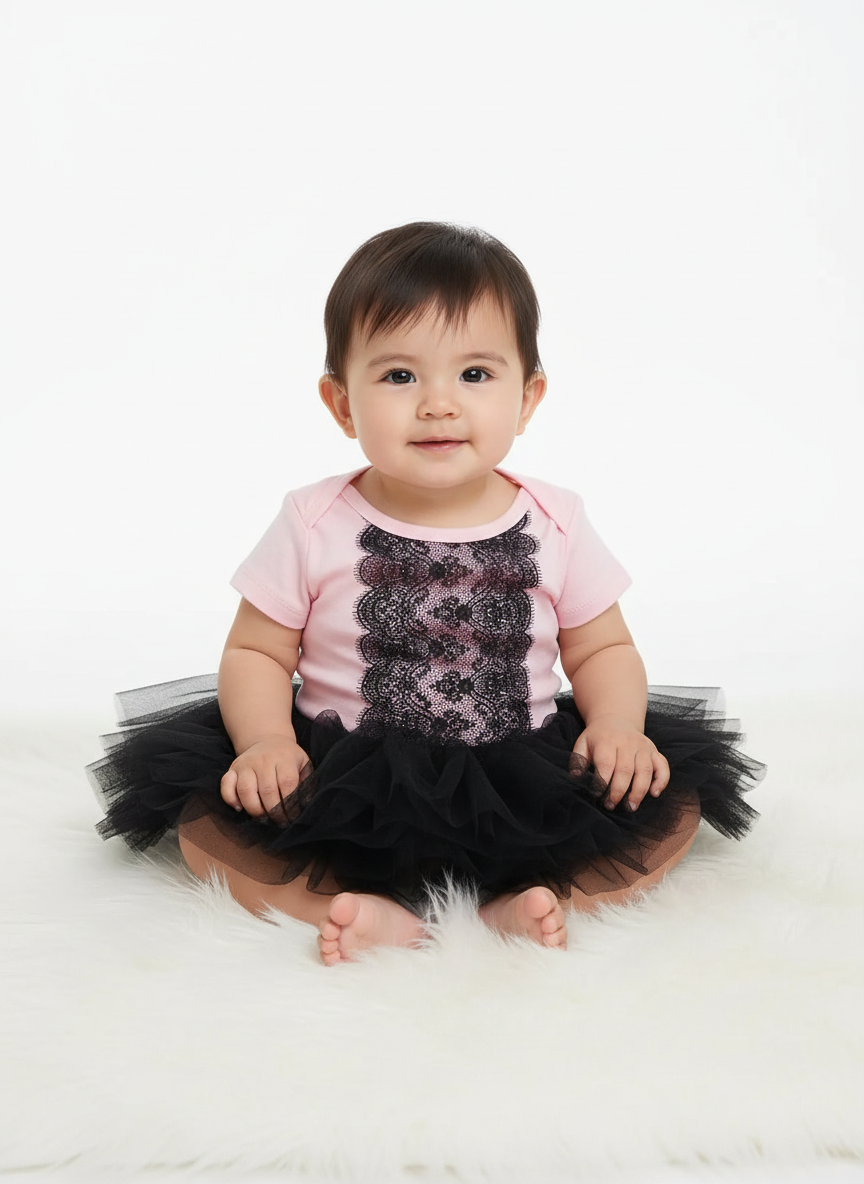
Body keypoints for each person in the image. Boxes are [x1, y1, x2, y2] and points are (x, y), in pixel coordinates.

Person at [91, 222, 762, 965]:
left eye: (475, 375)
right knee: (209, 828)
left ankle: (535, 903)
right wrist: (267, 742)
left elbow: (602, 644)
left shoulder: (556, 519)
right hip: (344, 775)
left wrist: (618, 726)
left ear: (528, 397)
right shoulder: (313, 518)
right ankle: (353, 910)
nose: (439, 404)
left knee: (667, 811)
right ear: (341, 403)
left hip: (517, 766)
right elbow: (255, 648)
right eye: (399, 376)